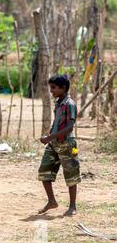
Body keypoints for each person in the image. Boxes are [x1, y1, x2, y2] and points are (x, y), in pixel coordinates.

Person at [38, 74, 81, 216]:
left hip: (67, 144)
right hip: (53, 143)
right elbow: (57, 123)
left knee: (71, 175)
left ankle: (73, 206)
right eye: (51, 88)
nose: (51, 91)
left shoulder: (70, 104)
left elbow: (69, 127)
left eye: (54, 88)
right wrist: (50, 137)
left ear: (63, 88)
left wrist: (49, 136)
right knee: (44, 172)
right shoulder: (58, 103)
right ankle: (52, 201)